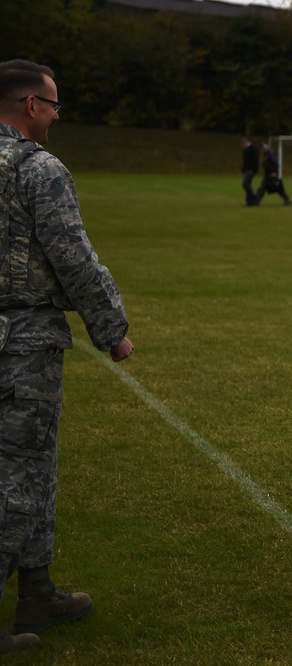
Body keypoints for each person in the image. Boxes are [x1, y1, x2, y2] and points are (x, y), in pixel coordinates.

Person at [0, 59, 134, 653]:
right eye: (53, 105)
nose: (55, 116)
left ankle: (39, 592)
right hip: (23, 340)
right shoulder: (39, 169)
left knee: (32, 469)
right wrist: (113, 328)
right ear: (30, 105)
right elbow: (72, 256)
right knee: (19, 477)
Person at [240, 136, 259, 206]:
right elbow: (245, 161)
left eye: (243, 145)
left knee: (245, 184)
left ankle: (254, 198)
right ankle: (249, 202)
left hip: (251, 170)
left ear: (245, 142)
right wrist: (243, 169)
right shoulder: (246, 149)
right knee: (248, 184)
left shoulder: (253, 148)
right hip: (247, 169)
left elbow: (255, 160)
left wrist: (252, 169)